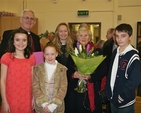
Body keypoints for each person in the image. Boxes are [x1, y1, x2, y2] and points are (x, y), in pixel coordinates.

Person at [105, 23, 141, 113]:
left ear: (130, 37)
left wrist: (122, 96)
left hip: (125, 101)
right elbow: (111, 73)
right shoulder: (115, 52)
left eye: (123, 36)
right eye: (117, 36)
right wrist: (108, 91)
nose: (119, 39)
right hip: (113, 98)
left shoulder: (133, 56)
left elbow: (135, 80)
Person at [67, 23, 103, 113]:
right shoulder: (72, 51)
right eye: (81, 35)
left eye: (86, 35)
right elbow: (67, 69)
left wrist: (91, 76)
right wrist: (73, 74)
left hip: (92, 87)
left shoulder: (97, 50)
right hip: (75, 90)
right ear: (77, 37)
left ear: (90, 37)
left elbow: (103, 70)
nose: (83, 37)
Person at [0, 28, 36, 113]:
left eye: (24, 40)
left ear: (28, 42)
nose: (21, 43)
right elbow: (2, 80)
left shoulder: (31, 58)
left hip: (27, 98)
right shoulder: (6, 57)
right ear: (13, 41)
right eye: (17, 40)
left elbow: (33, 79)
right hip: (11, 98)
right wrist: (4, 101)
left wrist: (34, 97)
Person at [32, 42, 68, 113]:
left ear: (56, 54)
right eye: (47, 54)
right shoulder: (38, 68)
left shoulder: (62, 69)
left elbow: (63, 87)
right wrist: (44, 103)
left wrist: (53, 106)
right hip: (42, 107)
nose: (50, 57)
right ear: (44, 55)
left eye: (52, 54)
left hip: (56, 107)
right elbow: (35, 86)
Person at [52, 22, 73, 113]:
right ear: (57, 32)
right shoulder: (51, 46)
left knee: (68, 105)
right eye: (61, 31)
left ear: (68, 32)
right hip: (56, 81)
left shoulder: (74, 46)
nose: (63, 33)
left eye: (65, 31)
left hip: (70, 81)